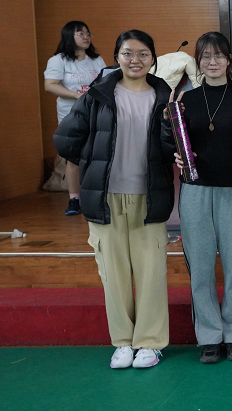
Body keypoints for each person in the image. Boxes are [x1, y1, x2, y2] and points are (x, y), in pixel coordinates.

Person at [53, 30, 174, 369]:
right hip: (105, 198)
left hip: (150, 197)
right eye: (127, 53)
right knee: (113, 274)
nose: (135, 60)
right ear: (117, 57)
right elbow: (65, 138)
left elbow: (172, 146)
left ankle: (150, 343)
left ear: (153, 58)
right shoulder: (98, 95)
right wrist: (91, 162)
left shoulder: (165, 97)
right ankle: (122, 342)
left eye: (143, 53)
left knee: (152, 273)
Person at [162, 32, 232, 364]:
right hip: (195, 191)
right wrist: (177, 154)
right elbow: (173, 142)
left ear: (229, 60)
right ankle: (208, 335)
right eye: (206, 56)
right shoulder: (185, 101)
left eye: (219, 55)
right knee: (201, 265)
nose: (213, 62)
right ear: (198, 61)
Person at [44, 21, 106, 215]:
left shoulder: (96, 60)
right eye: (81, 34)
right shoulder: (59, 60)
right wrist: (77, 96)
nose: (86, 37)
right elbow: (50, 85)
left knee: (98, 155)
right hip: (70, 114)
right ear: (69, 36)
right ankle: (74, 199)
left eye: (88, 33)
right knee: (74, 157)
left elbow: (105, 81)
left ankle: (98, 197)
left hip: (96, 112)